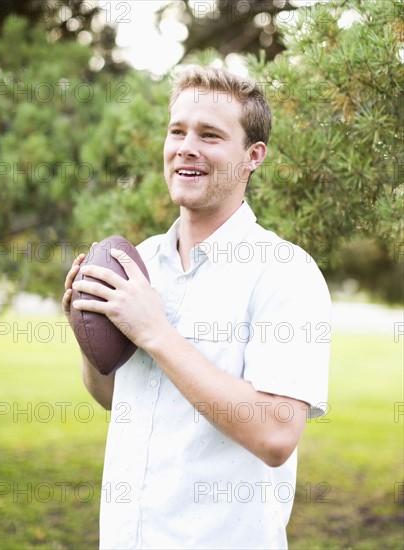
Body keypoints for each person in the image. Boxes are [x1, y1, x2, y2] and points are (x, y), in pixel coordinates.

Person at [62, 65, 331, 550]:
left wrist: (157, 334)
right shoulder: (138, 262)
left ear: (253, 157)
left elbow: (275, 435)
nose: (186, 146)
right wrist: (90, 338)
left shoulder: (285, 272)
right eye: (177, 131)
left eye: (209, 135)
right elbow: (114, 398)